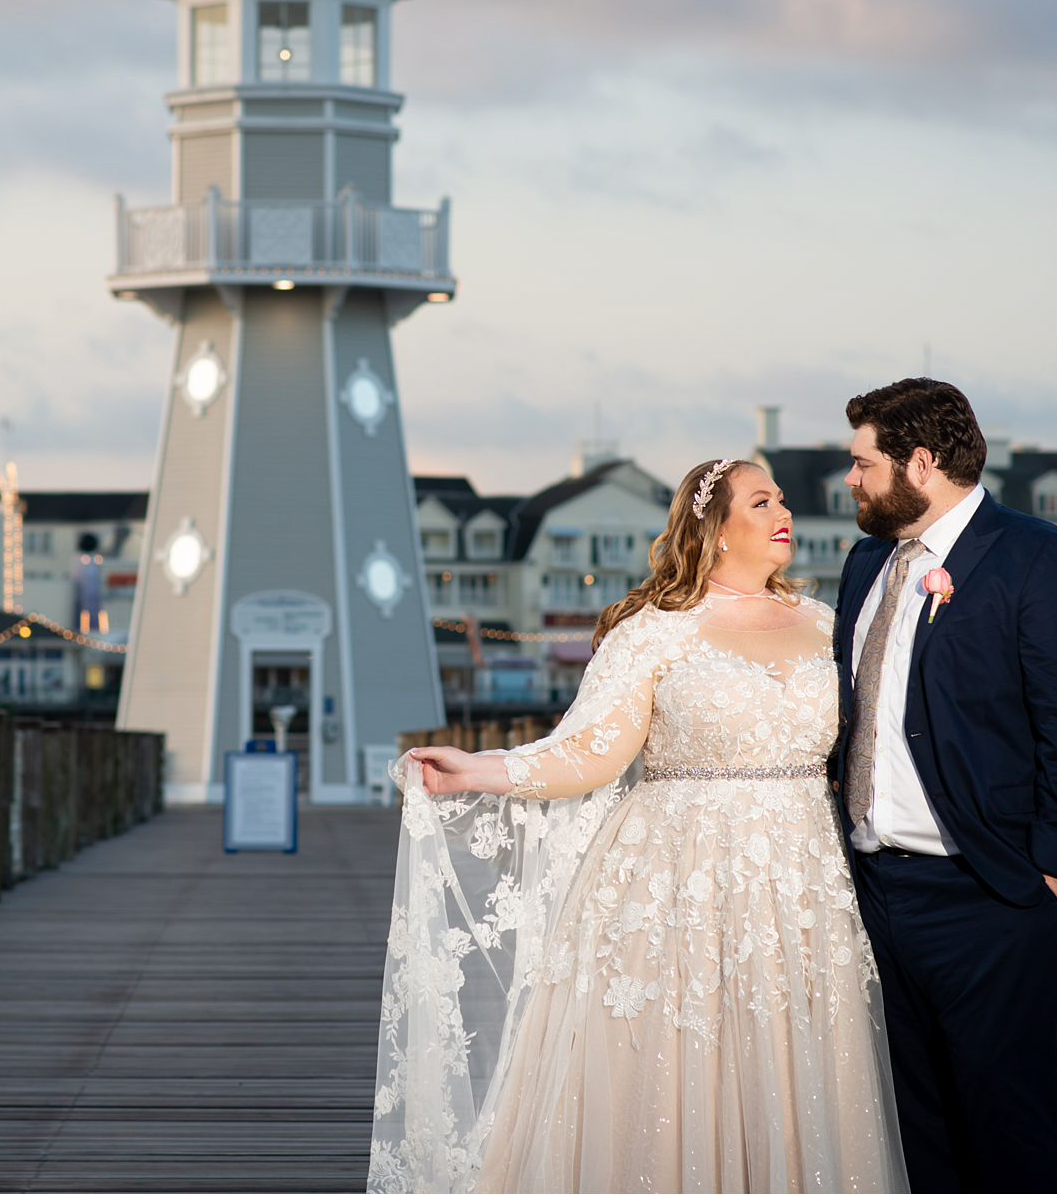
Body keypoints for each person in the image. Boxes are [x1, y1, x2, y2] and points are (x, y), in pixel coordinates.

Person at [369, 459, 909, 1194]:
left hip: (800, 885)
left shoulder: (828, 625)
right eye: (761, 501)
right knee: (675, 1077)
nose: (783, 510)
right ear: (716, 530)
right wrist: (478, 769)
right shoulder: (653, 633)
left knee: (793, 1071)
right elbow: (588, 752)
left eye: (782, 498)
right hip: (678, 882)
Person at [832, 378, 1057, 1193]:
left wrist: (1049, 874)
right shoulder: (865, 563)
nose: (849, 479)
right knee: (912, 1130)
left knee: (1008, 1126)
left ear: (919, 462)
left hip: (992, 897)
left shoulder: (1040, 559)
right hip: (876, 893)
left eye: (861, 462)